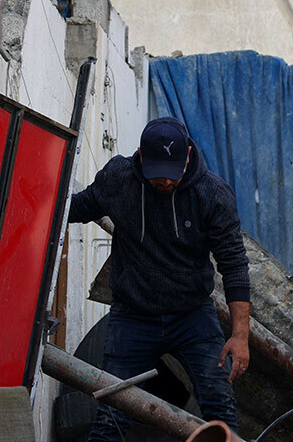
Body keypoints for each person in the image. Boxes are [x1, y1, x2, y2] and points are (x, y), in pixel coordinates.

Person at [69, 117, 251, 440]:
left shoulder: (212, 194)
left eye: (173, 173)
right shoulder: (118, 179)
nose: (165, 181)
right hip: (133, 317)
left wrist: (240, 335)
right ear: (140, 155)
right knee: (111, 418)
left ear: (188, 155)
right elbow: (75, 207)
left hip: (192, 317)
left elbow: (234, 265)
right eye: (157, 173)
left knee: (221, 412)